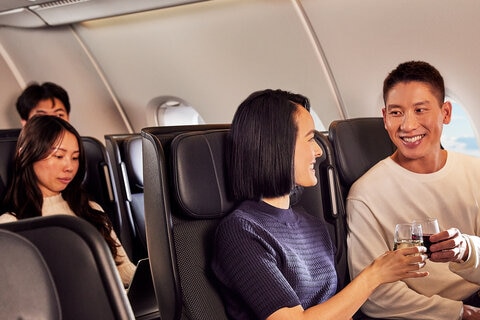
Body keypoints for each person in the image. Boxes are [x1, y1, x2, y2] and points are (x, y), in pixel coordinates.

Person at [211, 89, 428, 320]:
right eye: (309, 138)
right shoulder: (241, 231)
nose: (318, 151)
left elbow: (339, 309)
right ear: (278, 146)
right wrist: (374, 275)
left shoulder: (312, 225)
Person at [347, 60, 480, 320]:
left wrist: (466, 250)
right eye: (396, 113)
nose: (408, 126)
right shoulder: (365, 195)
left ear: (446, 113)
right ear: (385, 118)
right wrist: (461, 313)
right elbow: (376, 296)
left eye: (420, 110)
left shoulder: (475, 173)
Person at [0, 115, 135, 287]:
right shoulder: (11, 225)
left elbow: (124, 271)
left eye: (75, 157)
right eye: (59, 156)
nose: (69, 167)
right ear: (26, 155)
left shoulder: (91, 209)